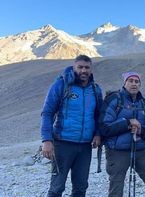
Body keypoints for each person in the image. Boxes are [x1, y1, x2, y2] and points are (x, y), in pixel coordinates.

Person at [41, 55, 103, 197]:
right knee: (57, 187)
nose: (83, 70)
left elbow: (98, 115)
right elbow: (47, 113)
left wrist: (98, 134)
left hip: (85, 146)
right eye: (80, 67)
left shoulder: (95, 89)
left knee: (81, 187)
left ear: (91, 69)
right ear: (74, 67)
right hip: (63, 144)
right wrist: (47, 140)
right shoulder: (61, 85)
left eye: (87, 67)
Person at [99, 71, 145, 197]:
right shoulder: (114, 100)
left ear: (140, 84)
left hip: (139, 149)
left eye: (137, 81)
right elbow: (104, 127)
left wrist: (141, 130)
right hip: (117, 151)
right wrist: (127, 123)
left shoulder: (144, 104)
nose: (134, 84)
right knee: (116, 188)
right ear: (124, 83)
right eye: (130, 81)